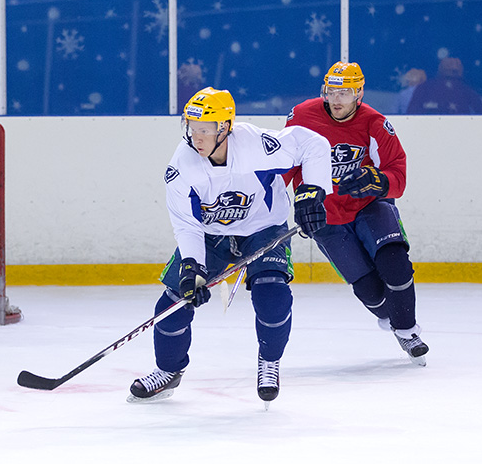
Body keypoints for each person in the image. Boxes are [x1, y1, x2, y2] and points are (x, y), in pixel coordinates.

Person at [128, 87, 332, 405]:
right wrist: (192, 267)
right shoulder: (182, 166)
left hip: (263, 228)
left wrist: (312, 192)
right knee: (172, 303)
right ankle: (168, 370)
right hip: (211, 236)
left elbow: (314, 144)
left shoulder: (256, 145)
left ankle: (269, 362)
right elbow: (187, 224)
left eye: (205, 130)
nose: (197, 137)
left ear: (225, 127)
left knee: (272, 295)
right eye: (192, 128)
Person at [284, 61, 430, 365]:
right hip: (325, 217)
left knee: (396, 264)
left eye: (345, 93)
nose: (336, 100)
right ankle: (392, 318)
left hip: (369, 206)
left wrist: (378, 181)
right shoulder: (302, 116)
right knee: (371, 293)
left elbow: (398, 174)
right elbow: (284, 166)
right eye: (332, 92)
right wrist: (290, 203)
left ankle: (407, 330)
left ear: (359, 93)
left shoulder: (375, 122)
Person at [406, 57, 482, 114]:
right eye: (449, 65)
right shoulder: (425, 88)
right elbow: (411, 115)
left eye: (455, 66)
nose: (452, 66)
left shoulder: (466, 91)